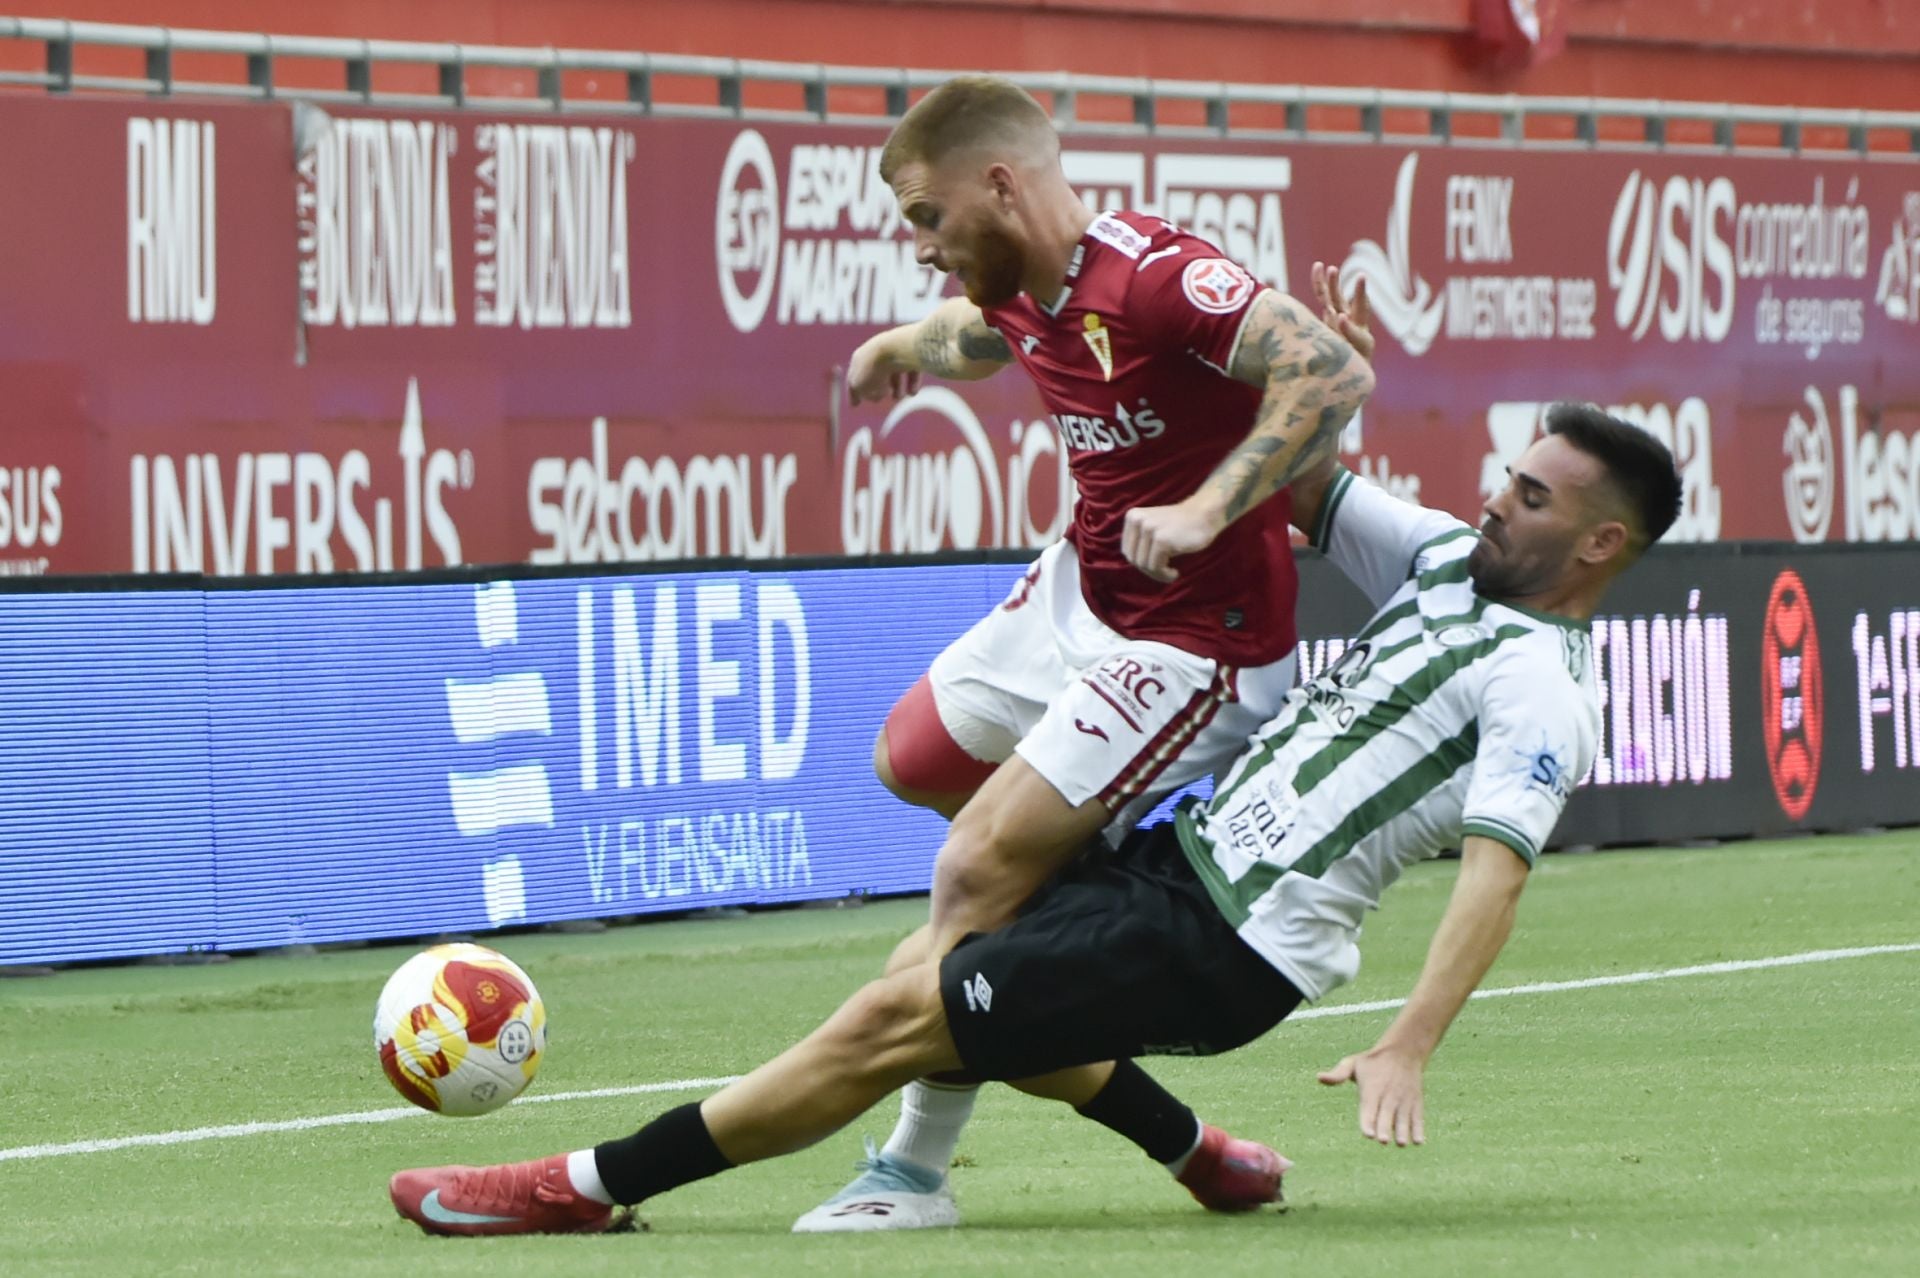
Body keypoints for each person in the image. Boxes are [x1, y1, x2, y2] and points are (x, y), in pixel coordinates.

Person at [387, 273, 1685, 1239]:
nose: (1492, 498)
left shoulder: (1542, 688)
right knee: (946, 951)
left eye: (1531, 497)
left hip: (1234, 942)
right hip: (1182, 858)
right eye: (1509, 476)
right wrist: (1277, 395)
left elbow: (1496, 872)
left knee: (905, 1009)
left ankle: (589, 1185)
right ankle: (1171, 1156)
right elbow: (1300, 487)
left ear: (1598, 549)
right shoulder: (1450, 564)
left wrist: (1409, 1039)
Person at [810, 73, 1373, 1228]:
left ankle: (913, 1172)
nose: (920, 243)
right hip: (1085, 595)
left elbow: (1333, 371)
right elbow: (974, 335)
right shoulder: (1016, 284)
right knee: (911, 758)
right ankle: (1065, 872)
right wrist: (895, 346)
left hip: (1197, 641)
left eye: (927, 216)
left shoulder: (1157, 277)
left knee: (971, 881)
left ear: (1003, 184)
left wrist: (1212, 506)